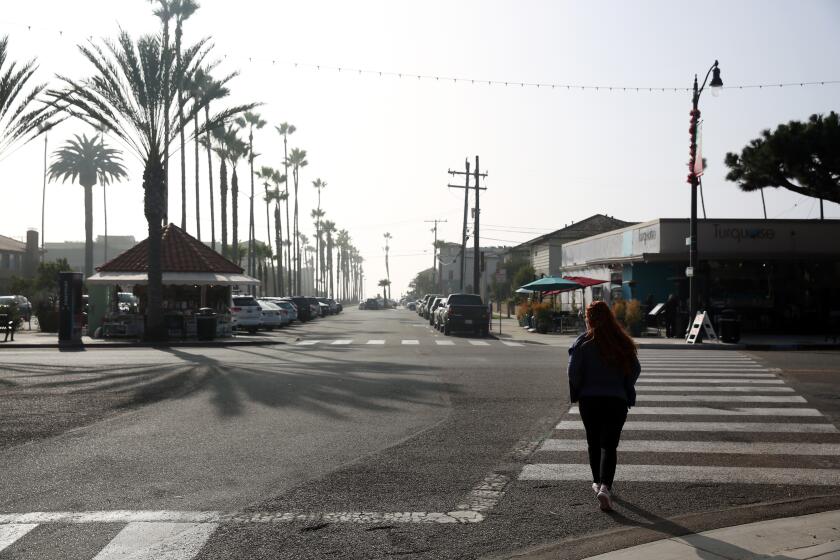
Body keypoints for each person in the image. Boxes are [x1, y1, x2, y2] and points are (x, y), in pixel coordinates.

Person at [567, 300, 641, 512]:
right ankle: (605, 487)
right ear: (609, 316)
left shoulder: (582, 342)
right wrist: (624, 386)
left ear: (589, 319)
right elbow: (635, 369)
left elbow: (572, 372)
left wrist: (581, 388)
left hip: (589, 400)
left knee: (593, 442)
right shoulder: (622, 341)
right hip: (615, 400)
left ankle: (597, 481)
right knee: (610, 445)